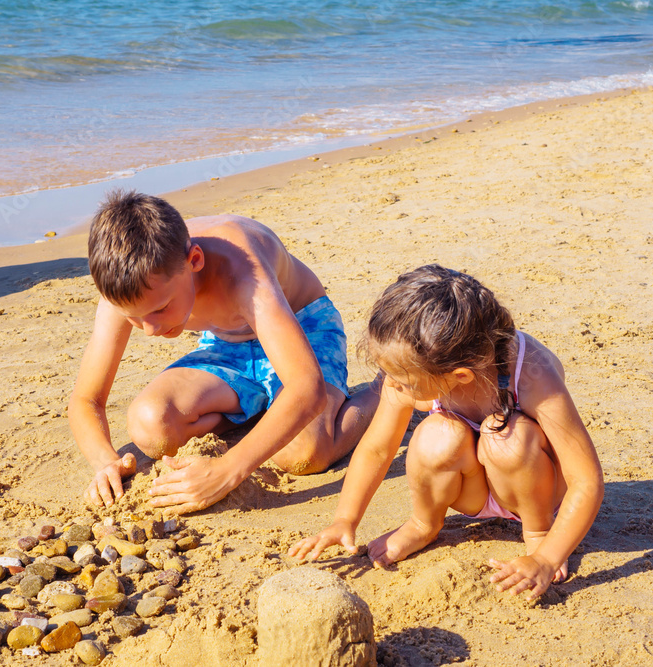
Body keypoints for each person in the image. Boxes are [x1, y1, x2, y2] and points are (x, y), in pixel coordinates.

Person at [289, 265, 603, 600]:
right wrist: (345, 519)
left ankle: (538, 531)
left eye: (402, 381)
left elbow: (585, 479)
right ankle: (424, 524)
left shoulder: (529, 373)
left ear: (461, 375)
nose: (391, 385)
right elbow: (378, 449)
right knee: (435, 435)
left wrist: (546, 557)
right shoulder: (412, 367)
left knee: (505, 436)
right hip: (472, 491)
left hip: (537, 488)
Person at [69, 190, 377, 512]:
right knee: (152, 426)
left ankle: (384, 391)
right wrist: (104, 460)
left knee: (303, 453)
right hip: (227, 342)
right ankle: (268, 409)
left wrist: (228, 471)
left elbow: (306, 388)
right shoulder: (128, 285)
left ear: (195, 261)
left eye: (161, 309)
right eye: (133, 318)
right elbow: (86, 400)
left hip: (303, 329)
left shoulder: (242, 271)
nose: (150, 329)